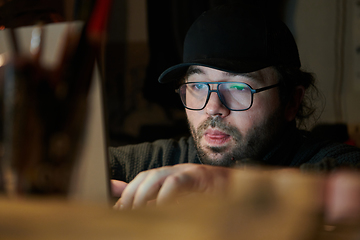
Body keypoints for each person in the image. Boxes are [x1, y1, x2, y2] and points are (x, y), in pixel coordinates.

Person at [109, 3, 360, 210]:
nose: (213, 108)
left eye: (239, 88)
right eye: (197, 86)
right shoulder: (169, 159)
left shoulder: (333, 161)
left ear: (291, 101)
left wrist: (223, 183)